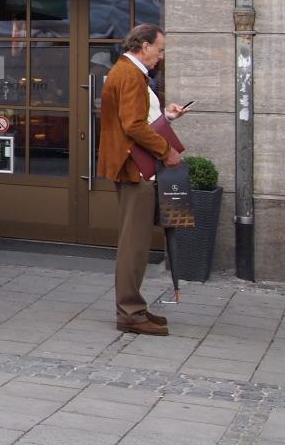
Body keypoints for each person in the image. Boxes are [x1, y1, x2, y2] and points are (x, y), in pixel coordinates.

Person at [97, 23, 187, 337]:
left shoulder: (128, 72)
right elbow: (134, 126)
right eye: (159, 50)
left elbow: (137, 119)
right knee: (134, 244)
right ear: (144, 46)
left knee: (135, 242)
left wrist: (166, 118)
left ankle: (133, 306)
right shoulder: (130, 74)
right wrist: (166, 151)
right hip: (134, 167)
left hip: (133, 165)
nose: (161, 56)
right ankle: (130, 313)